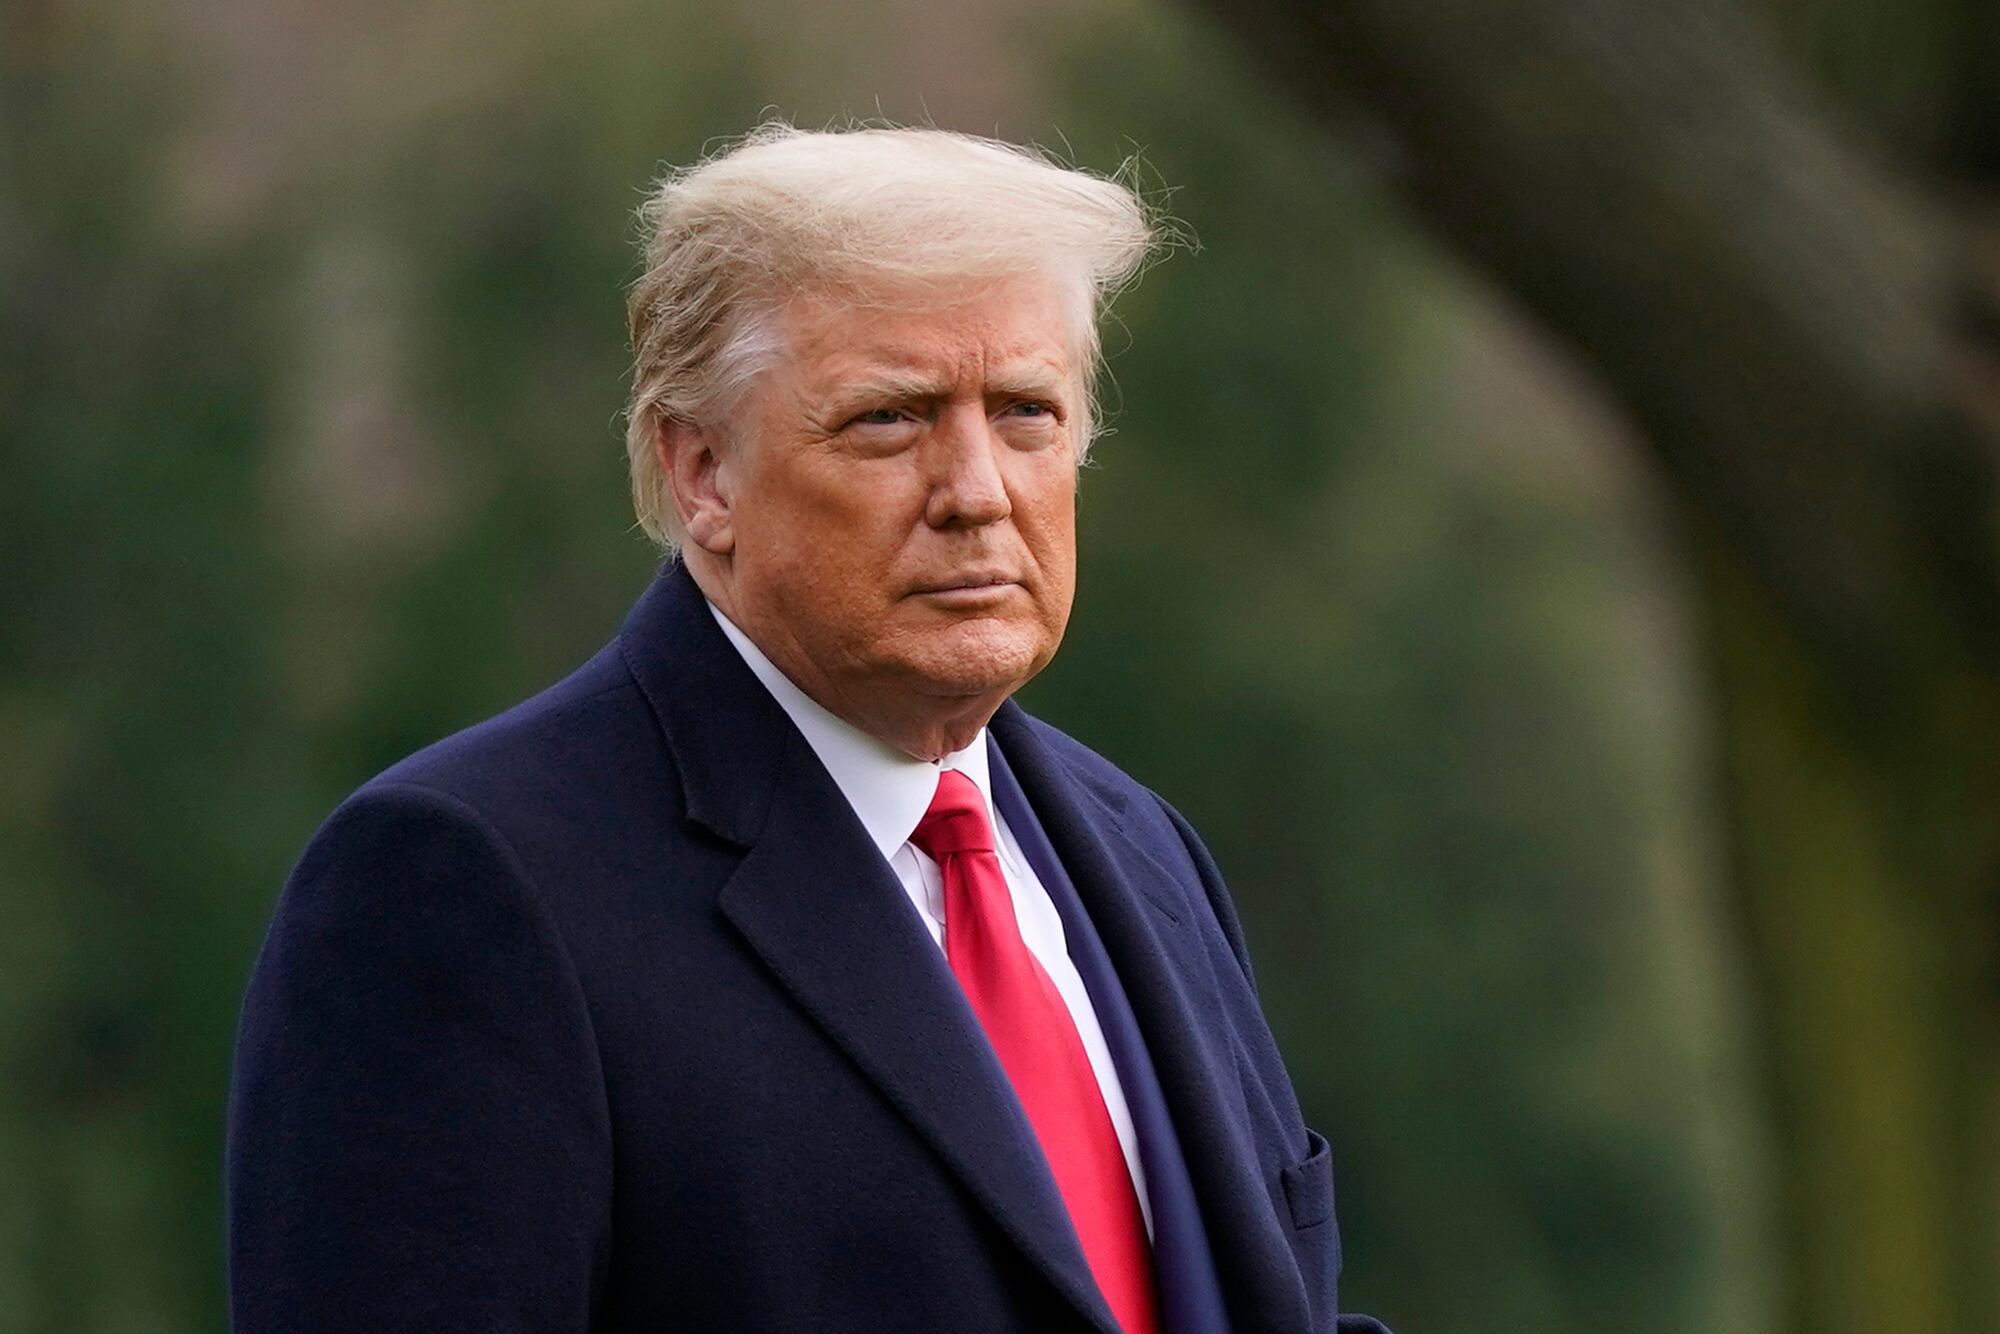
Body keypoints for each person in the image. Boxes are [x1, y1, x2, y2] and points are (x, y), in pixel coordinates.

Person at [226, 122, 1392, 1334]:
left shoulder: (1141, 849)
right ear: (702, 476)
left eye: (1026, 413)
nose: (978, 490)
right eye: (891, 418)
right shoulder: (462, 884)